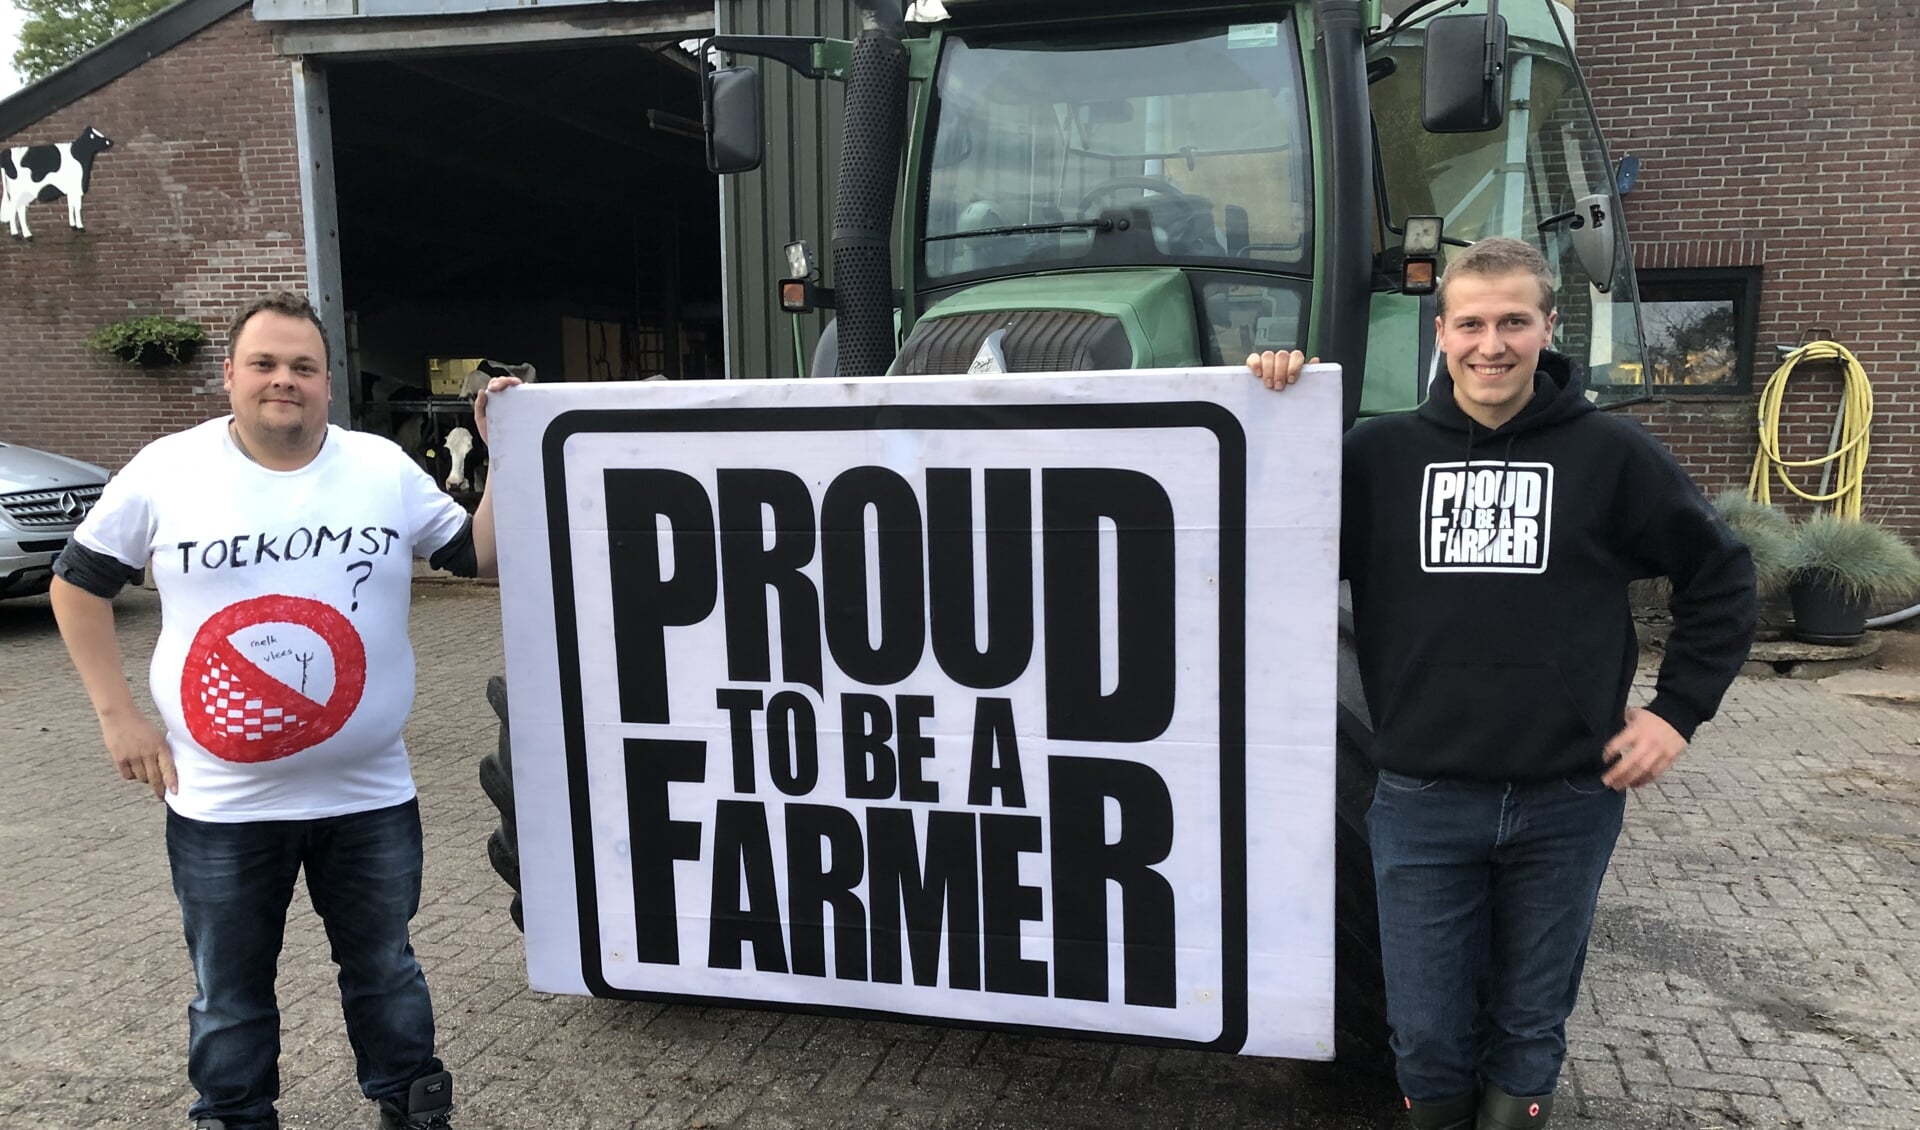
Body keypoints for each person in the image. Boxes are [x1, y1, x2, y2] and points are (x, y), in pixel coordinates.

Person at [1249, 238, 1756, 1130]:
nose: (1494, 344)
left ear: (1547, 329)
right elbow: (1256, 525)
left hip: (1568, 801)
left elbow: (1719, 577)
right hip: (1420, 801)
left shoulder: (1612, 456)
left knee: (1529, 1031)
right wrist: (1272, 403)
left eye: (1514, 321)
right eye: (1473, 323)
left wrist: (1676, 714)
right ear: (1440, 333)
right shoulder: (1377, 456)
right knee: (1428, 1040)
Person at [50, 291, 520, 1130]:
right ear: (228, 376)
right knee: (228, 994)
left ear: (327, 384)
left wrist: (506, 456)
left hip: (370, 796)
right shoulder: (167, 469)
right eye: (264, 364)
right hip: (221, 804)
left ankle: (413, 1108)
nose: (284, 381)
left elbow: (478, 558)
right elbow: (76, 582)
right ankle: (234, 1117)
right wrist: (115, 715)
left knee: (386, 971)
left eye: (303, 367)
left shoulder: (379, 466)